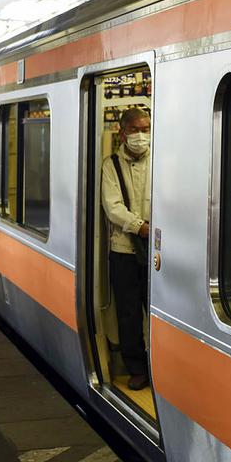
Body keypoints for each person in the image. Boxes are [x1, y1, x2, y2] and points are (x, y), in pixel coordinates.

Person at [101, 107, 151, 391]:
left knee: (156, 311)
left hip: (155, 249)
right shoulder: (111, 165)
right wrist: (139, 226)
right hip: (124, 250)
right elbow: (112, 206)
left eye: (146, 129)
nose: (142, 136)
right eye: (136, 130)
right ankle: (137, 368)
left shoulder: (159, 159)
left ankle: (159, 365)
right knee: (129, 313)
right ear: (123, 133)